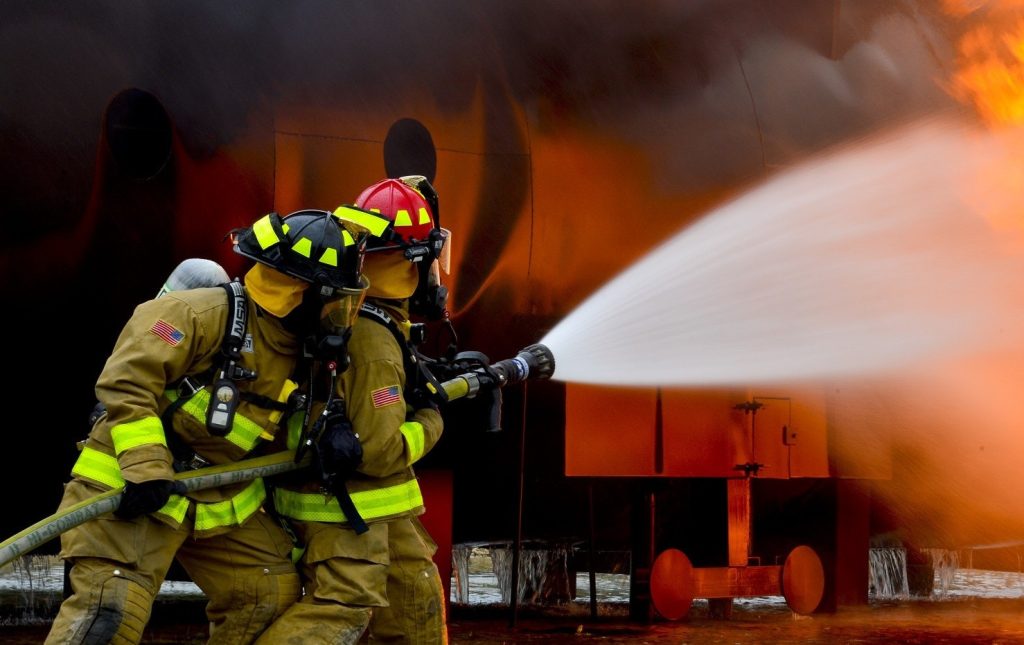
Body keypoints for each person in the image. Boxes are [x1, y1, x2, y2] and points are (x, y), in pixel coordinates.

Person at [46, 209, 372, 645]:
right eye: (336, 300)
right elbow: (126, 382)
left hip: (215, 499)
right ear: (301, 292)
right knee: (110, 613)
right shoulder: (194, 314)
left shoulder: (303, 349)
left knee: (266, 594)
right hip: (133, 491)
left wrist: (330, 430)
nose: (341, 315)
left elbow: (286, 424)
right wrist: (146, 468)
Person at [256, 177, 450, 645]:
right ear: (415, 261)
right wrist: (432, 417)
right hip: (349, 507)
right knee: (341, 611)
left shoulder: (356, 316)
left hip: (368, 508)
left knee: (414, 598)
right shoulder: (374, 339)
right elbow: (382, 451)